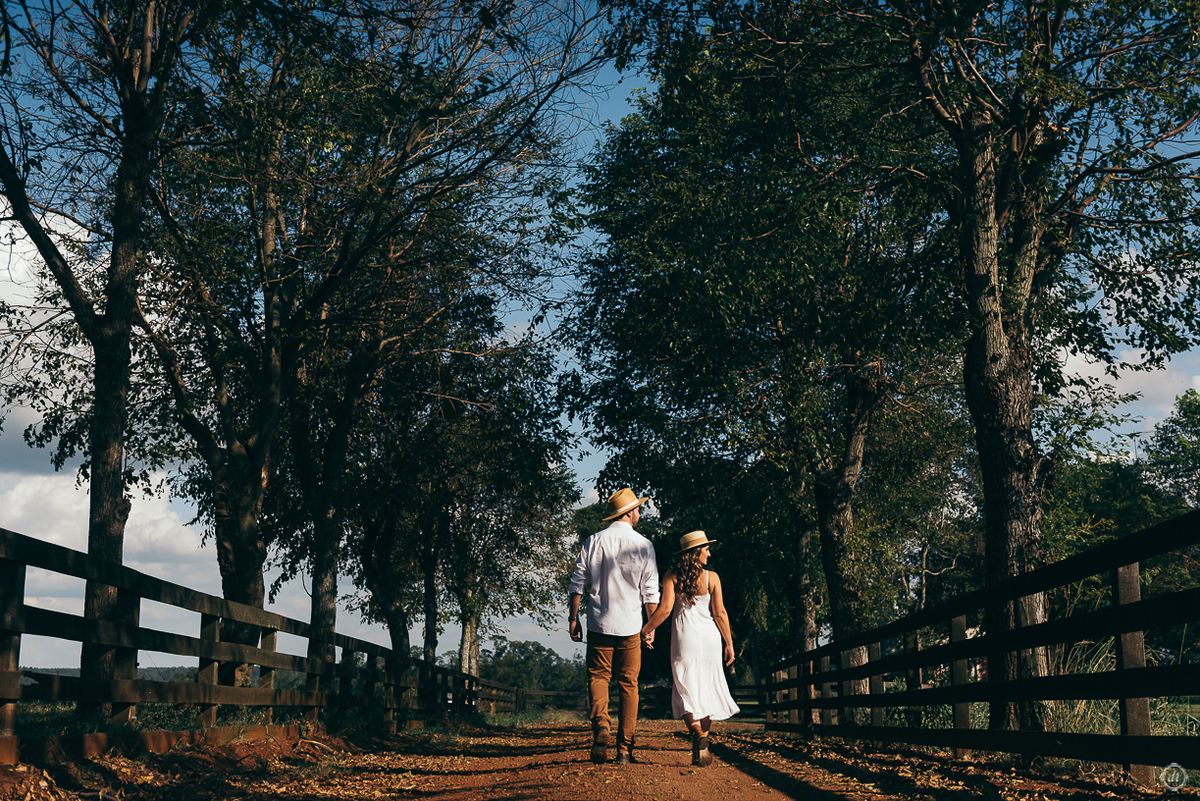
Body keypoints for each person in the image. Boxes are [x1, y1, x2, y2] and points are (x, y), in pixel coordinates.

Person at [568, 488, 660, 765]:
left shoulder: (593, 541)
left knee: (598, 678)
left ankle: (602, 727)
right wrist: (650, 627)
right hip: (631, 625)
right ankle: (624, 750)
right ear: (629, 513)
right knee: (629, 685)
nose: (640, 513)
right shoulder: (644, 545)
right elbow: (650, 592)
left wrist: (573, 618)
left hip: (599, 622)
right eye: (638, 509)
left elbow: (577, 583)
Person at [640, 530, 738, 767]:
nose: (709, 554)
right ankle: (701, 746)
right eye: (706, 550)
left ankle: (697, 734)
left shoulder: (671, 576)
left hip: (685, 640)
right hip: (710, 640)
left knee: (685, 692)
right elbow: (720, 613)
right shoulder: (711, 578)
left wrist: (646, 629)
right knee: (704, 691)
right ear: (696, 552)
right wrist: (729, 643)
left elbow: (664, 610)